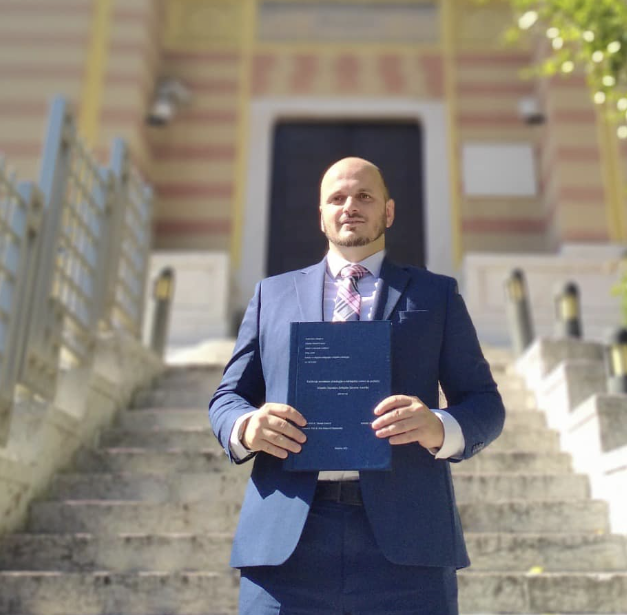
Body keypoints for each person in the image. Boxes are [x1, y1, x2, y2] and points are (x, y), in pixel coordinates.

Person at [209, 156, 505, 614]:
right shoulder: (272, 294)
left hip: (408, 546)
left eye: (364, 196)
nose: (350, 206)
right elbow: (228, 397)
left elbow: (484, 403)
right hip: (286, 542)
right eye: (337, 198)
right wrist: (246, 427)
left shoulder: (436, 295)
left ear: (388, 211)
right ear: (321, 215)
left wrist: (439, 427)